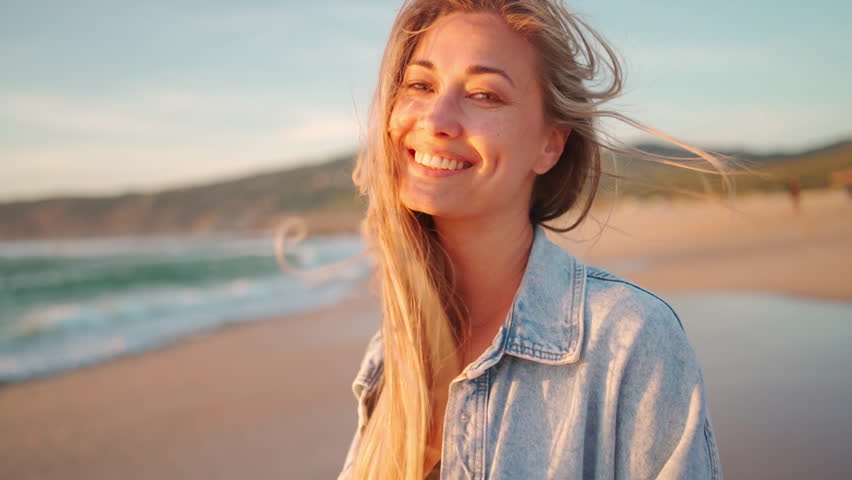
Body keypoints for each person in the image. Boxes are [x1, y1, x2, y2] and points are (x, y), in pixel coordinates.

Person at [338, 0, 723, 478]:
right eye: (420, 84)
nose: (436, 119)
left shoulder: (628, 340)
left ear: (550, 144)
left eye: (485, 95)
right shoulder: (392, 347)